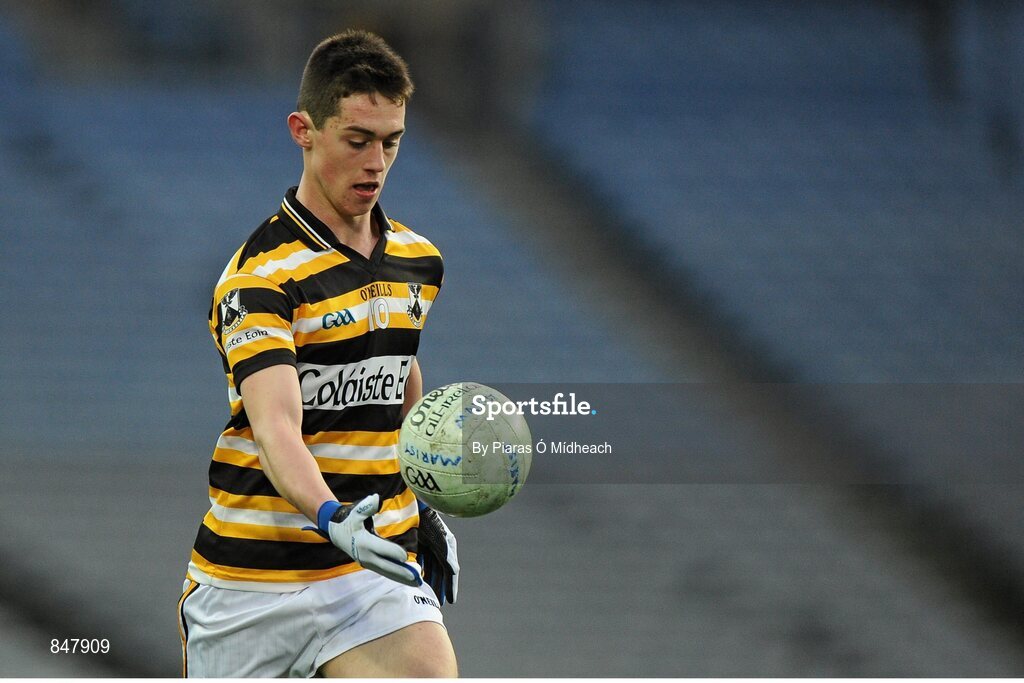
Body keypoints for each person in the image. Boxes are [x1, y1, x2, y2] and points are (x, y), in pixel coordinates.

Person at [177, 30, 459, 678]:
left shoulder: (419, 261)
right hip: (249, 584)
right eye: (357, 140)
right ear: (303, 130)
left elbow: (398, 371)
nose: (376, 163)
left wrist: (422, 504)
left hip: (369, 570)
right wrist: (332, 516)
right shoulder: (261, 279)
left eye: (391, 142)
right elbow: (277, 426)